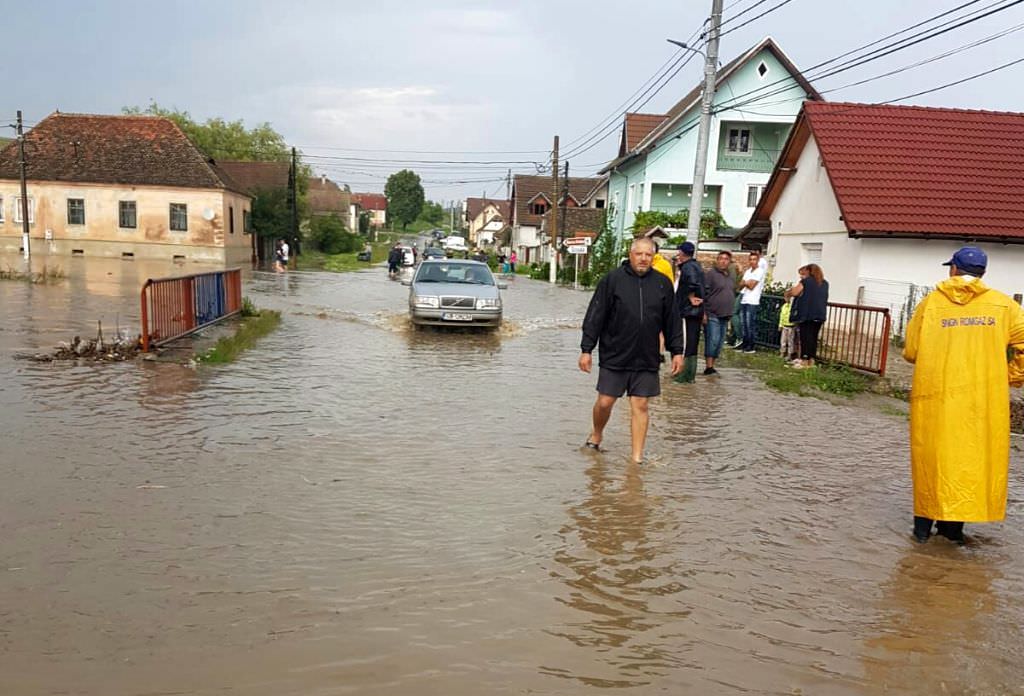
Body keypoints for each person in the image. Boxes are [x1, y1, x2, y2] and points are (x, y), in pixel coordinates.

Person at [902, 247, 1024, 545]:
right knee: (969, 460)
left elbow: (911, 351)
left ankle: (921, 531)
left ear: (953, 269)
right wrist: (1012, 375)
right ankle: (953, 532)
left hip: (935, 399)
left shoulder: (930, 304)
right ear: (983, 272)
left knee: (932, 459)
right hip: (982, 401)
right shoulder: (1004, 306)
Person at [579, 237, 683, 465]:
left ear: (653, 257)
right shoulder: (612, 280)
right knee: (605, 402)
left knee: (641, 405)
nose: (644, 259)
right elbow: (596, 315)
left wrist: (677, 350)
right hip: (615, 353)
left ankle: (636, 460)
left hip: (647, 355)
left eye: (649, 255)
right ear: (631, 254)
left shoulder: (662, 284)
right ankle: (596, 434)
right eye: (640, 254)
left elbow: (672, 320)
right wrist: (587, 348)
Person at [785, 264, 829, 368]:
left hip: (807, 314)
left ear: (809, 272)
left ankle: (804, 360)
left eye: (803, 274)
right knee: (813, 338)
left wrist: (787, 293)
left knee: (805, 337)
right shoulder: (825, 283)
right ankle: (811, 360)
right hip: (820, 314)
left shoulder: (806, 282)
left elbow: (795, 292)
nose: (801, 277)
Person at [673, 241, 705, 383]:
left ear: (682, 253)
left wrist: (690, 297)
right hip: (694, 311)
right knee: (692, 343)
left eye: (679, 251)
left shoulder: (688, 267)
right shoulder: (696, 266)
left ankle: (684, 376)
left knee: (686, 344)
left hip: (688, 311)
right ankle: (688, 375)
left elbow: (692, 283)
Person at [702, 250, 735, 376]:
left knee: (720, 341)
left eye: (726, 259)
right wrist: (703, 312)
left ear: (729, 262)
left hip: (725, 314)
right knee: (713, 339)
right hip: (712, 313)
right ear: (717, 260)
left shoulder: (730, 276)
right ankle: (708, 366)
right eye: (721, 258)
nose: (723, 261)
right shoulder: (711, 275)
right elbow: (704, 293)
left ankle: (713, 365)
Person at [737, 250, 765, 353]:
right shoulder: (748, 271)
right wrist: (746, 283)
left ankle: (751, 345)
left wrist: (746, 283)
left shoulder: (760, 271)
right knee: (743, 323)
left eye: (754, 259)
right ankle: (744, 344)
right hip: (744, 298)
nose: (752, 261)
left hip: (753, 300)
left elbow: (752, 285)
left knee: (750, 323)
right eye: (751, 259)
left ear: (757, 260)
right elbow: (740, 285)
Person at [778, 295, 800, 361]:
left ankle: (789, 354)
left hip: (791, 326)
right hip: (784, 325)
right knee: (783, 340)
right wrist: (780, 325)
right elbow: (781, 316)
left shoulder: (793, 307)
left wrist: (796, 325)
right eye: (786, 297)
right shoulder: (784, 306)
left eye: (789, 297)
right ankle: (782, 352)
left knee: (790, 341)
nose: (787, 299)